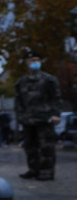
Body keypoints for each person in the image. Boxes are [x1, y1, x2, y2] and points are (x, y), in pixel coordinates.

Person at [15, 51, 62, 181]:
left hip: (45, 118)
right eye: (32, 60)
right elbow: (18, 101)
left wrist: (56, 114)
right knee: (30, 147)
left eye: (37, 60)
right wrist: (20, 116)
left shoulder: (49, 80)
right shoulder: (21, 82)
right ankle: (33, 169)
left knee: (46, 147)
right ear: (26, 63)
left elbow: (56, 98)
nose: (35, 63)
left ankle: (46, 171)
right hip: (28, 119)